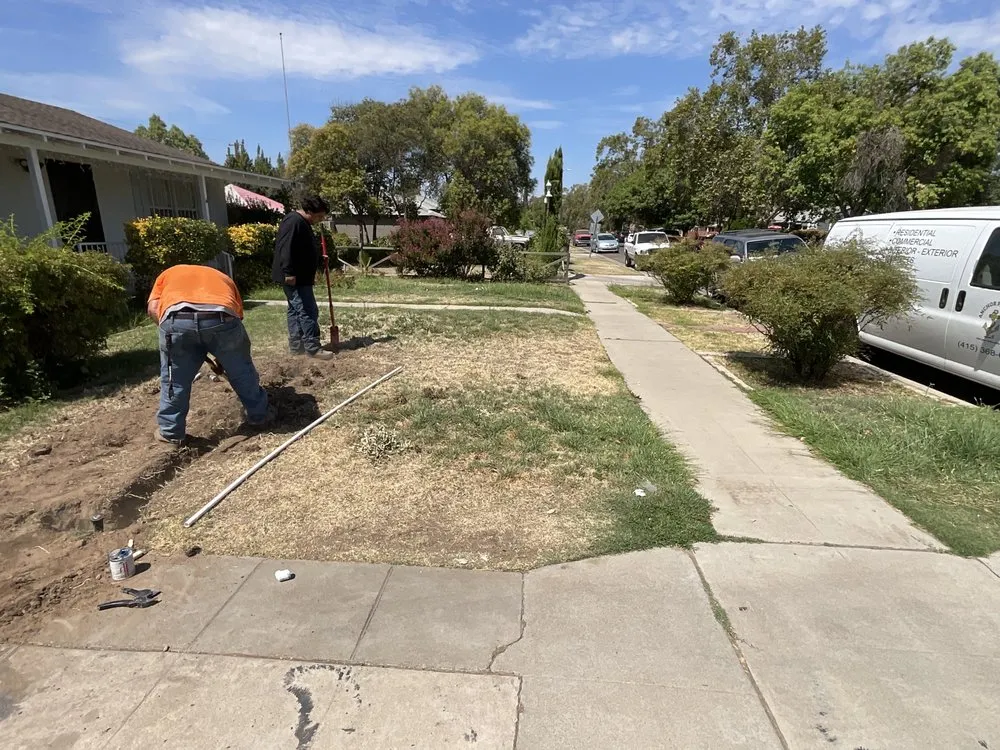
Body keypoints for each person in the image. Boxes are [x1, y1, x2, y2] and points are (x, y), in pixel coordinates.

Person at [148, 264, 270, 444]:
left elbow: (153, 309)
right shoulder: (223, 278)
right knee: (241, 371)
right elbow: (235, 318)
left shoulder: (167, 274)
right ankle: (259, 416)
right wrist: (225, 358)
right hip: (221, 316)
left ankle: (170, 431)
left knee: (175, 378)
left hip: (176, 319)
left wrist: (175, 332)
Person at [272, 195, 333, 360]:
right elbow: (286, 248)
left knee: (295, 310)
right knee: (307, 310)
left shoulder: (302, 222)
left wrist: (318, 258)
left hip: (300, 277)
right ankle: (313, 348)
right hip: (295, 277)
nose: (320, 220)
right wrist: (289, 272)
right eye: (319, 216)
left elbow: (301, 249)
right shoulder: (294, 222)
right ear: (309, 211)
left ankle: (297, 347)